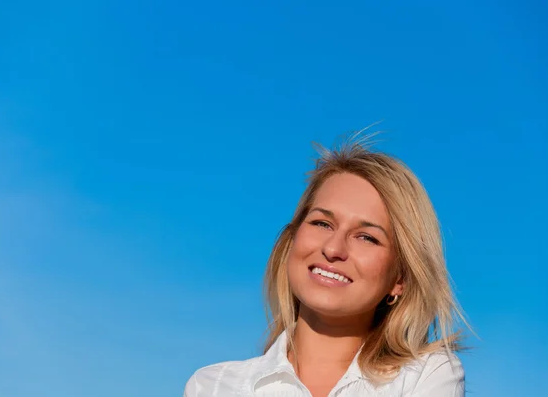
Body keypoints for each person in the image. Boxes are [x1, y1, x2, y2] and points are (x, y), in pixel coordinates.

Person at [184, 132, 468, 396]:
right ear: (292, 240)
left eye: (367, 237)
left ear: (400, 279)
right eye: (322, 223)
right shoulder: (212, 386)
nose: (333, 249)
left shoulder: (426, 374)